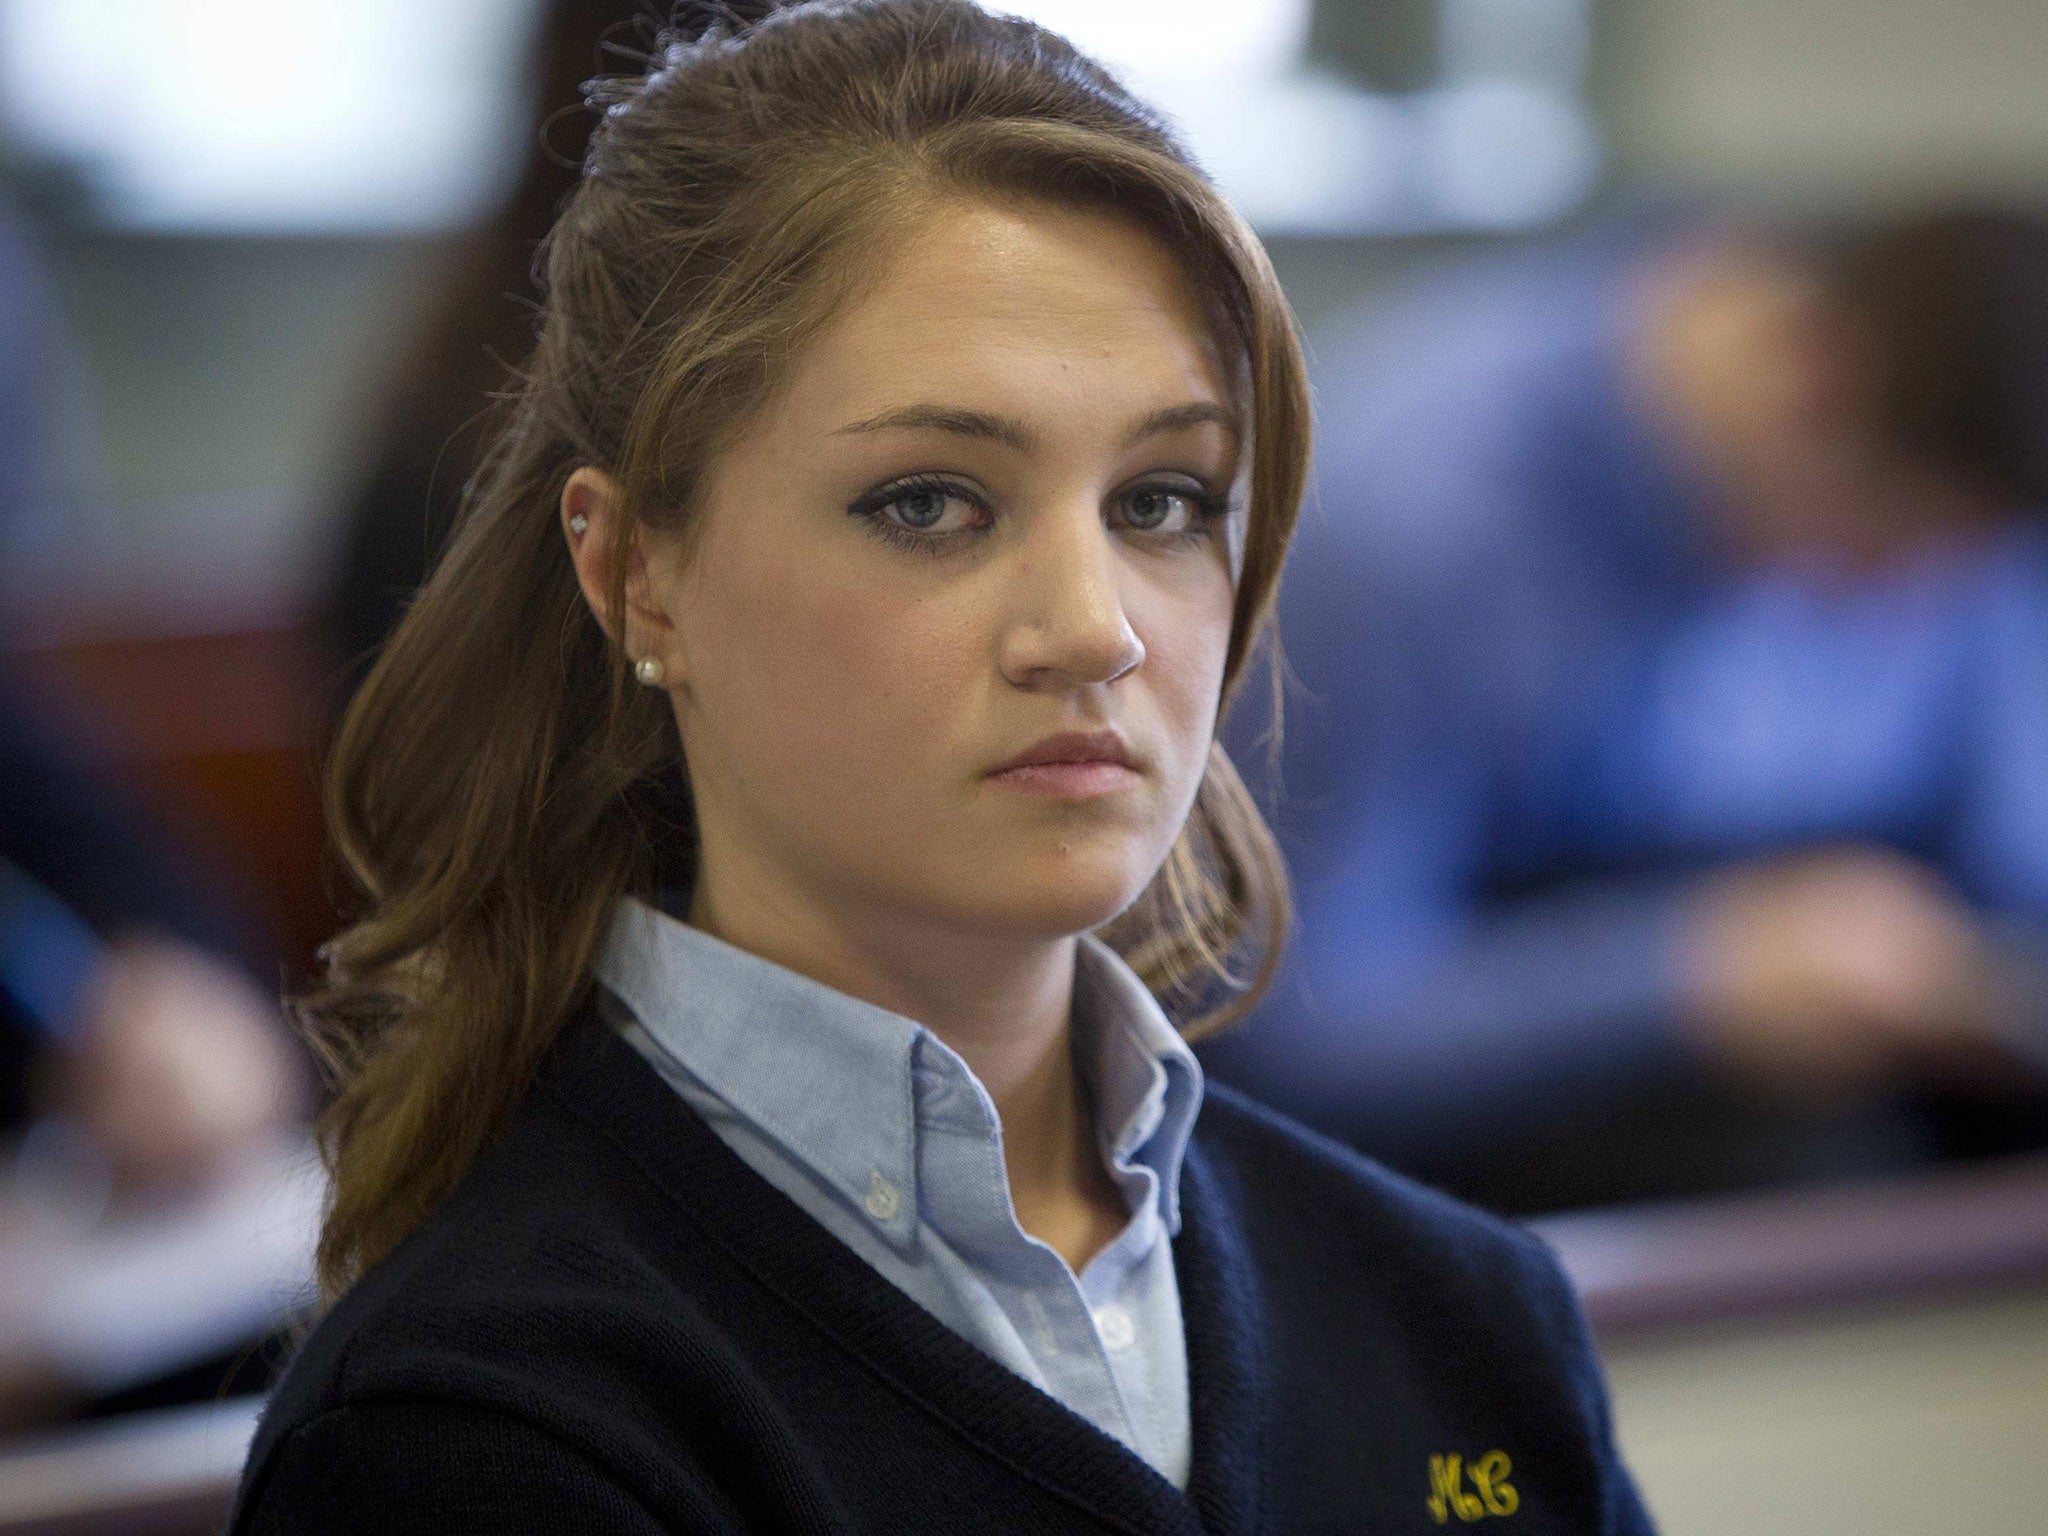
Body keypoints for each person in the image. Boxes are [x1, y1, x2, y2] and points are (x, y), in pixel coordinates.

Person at [229, 4, 1654, 1531]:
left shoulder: (1469, 1322)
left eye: (1165, 500)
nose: (1093, 631)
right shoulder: (482, 1431)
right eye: (929, 505)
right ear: (640, 572)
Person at [1202, 207, 2048, 1213]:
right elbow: (1295, 1035)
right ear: (1809, 386)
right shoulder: (1404, 532)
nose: (1897, 612)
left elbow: (2010, 856)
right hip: (1435, 1166)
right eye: (1883, 560)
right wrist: (1696, 972)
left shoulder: (1938, 499)